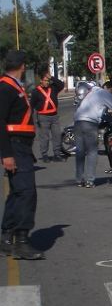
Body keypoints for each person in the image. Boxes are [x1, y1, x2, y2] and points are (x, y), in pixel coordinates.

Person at [0, 50, 44, 260]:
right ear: (22, 66)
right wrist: (6, 154)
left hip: (21, 146)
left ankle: (6, 238)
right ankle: (22, 240)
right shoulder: (6, 88)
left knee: (17, 192)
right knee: (27, 193)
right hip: (15, 147)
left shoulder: (15, 86)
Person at [72, 80, 112, 188]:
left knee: (80, 152)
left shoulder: (90, 91)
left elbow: (99, 112)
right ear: (110, 88)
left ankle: (79, 179)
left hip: (77, 122)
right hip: (89, 123)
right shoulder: (103, 93)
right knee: (92, 152)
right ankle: (90, 181)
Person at [30, 70, 65, 162]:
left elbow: (61, 84)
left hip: (54, 116)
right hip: (43, 117)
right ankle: (44, 155)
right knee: (44, 137)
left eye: (48, 81)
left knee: (57, 135)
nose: (47, 82)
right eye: (45, 80)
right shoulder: (36, 91)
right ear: (41, 81)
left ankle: (57, 154)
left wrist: (52, 77)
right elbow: (31, 105)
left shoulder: (53, 88)